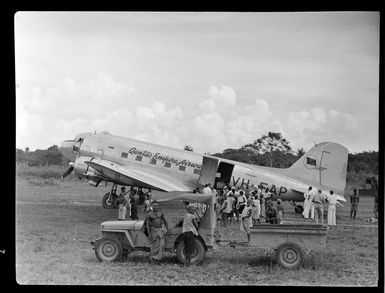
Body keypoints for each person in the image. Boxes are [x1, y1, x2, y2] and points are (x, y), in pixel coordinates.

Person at [181, 203, 200, 267]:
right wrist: (197, 227)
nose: (194, 211)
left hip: (184, 232)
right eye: (193, 209)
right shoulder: (193, 216)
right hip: (190, 233)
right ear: (189, 209)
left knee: (186, 249)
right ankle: (187, 264)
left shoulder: (186, 215)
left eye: (194, 210)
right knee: (190, 250)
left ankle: (185, 264)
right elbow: (196, 225)